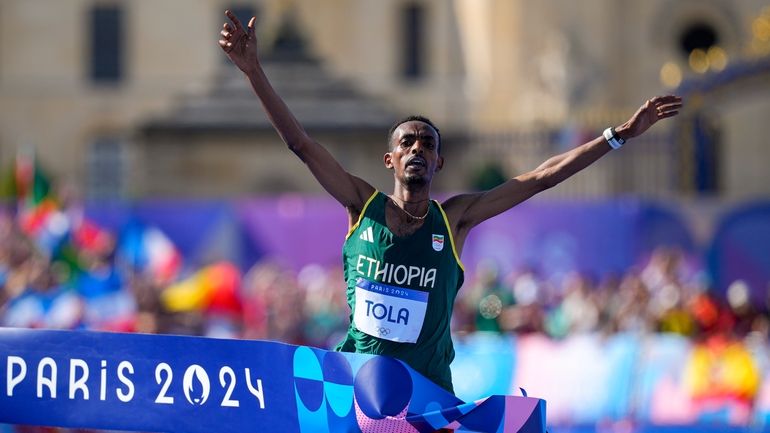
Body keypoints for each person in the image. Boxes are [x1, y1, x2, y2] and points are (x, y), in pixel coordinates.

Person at [218, 10, 682, 392]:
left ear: (439, 162)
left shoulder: (454, 218)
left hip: (428, 398)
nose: (417, 149)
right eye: (407, 144)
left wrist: (617, 135)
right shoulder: (362, 206)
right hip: (355, 390)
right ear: (389, 160)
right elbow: (300, 144)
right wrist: (254, 71)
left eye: (426, 144)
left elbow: (539, 177)